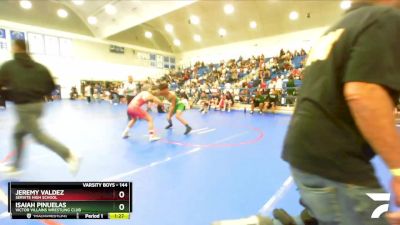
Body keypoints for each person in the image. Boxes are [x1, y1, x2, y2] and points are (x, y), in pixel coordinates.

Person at [282, 1, 400, 225]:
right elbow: (363, 93)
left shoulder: (339, 28)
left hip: (305, 157)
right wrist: (398, 170)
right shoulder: (384, 18)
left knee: (376, 211)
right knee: (369, 214)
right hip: (336, 165)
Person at [0, 40, 80, 176]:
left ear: (15, 48)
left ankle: (69, 155)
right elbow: (51, 87)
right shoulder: (40, 67)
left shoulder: (9, 66)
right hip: (39, 106)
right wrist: (38, 93)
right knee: (18, 134)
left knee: (38, 136)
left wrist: (10, 95)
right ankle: (15, 167)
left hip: (23, 107)